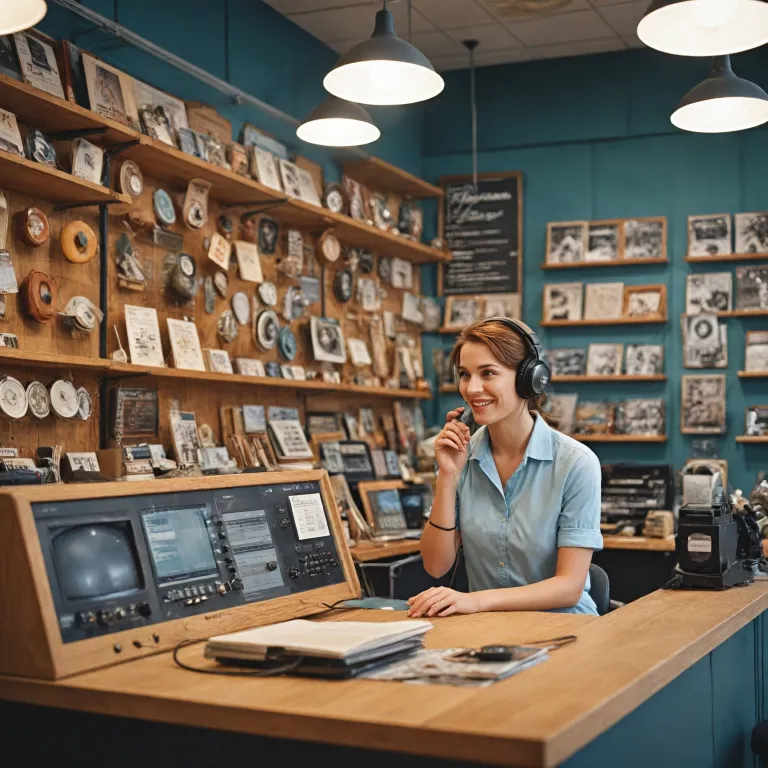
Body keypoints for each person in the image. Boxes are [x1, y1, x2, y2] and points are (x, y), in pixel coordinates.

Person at [407, 317, 603, 619]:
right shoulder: (461, 457)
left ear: (529, 378)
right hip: (490, 632)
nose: (472, 388)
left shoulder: (576, 463)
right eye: (464, 374)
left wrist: (476, 601)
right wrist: (447, 476)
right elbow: (435, 565)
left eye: (488, 373)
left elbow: (569, 587)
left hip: (565, 628)